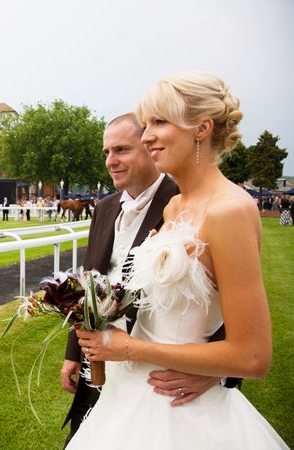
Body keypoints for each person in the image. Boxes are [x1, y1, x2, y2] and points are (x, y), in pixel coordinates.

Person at [67, 72, 287, 448]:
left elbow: (253, 355)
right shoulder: (174, 207)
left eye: (159, 122)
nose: (147, 135)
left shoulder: (230, 210)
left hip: (177, 409)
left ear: (202, 128)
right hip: (127, 396)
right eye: (146, 123)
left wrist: (130, 350)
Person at [61, 112, 204, 442]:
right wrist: (73, 353)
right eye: (107, 152)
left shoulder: (186, 202)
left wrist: (212, 374)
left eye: (122, 150)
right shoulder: (105, 208)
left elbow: (213, 294)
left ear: (151, 148)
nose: (111, 161)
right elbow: (88, 287)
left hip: (156, 373)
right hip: (98, 362)